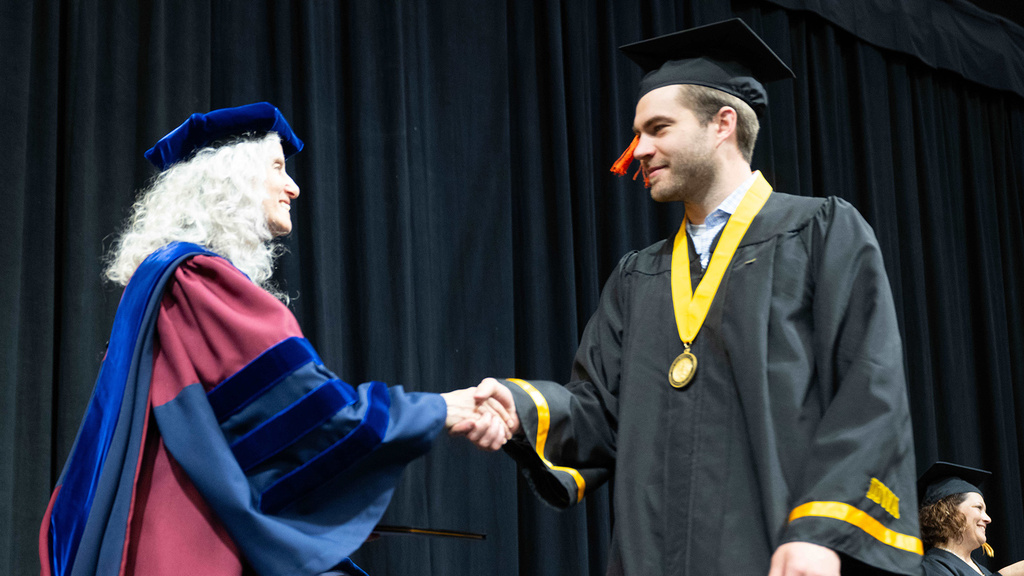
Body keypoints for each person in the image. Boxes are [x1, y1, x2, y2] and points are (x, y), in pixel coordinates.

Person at [461, 18, 922, 575]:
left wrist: (819, 531)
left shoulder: (819, 233)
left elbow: (868, 387)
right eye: (638, 133)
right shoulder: (639, 277)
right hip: (652, 556)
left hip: (780, 551)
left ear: (722, 123)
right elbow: (597, 412)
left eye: (657, 128)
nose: (639, 150)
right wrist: (523, 408)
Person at [38, 102, 515, 576]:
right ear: (230, 180)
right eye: (277, 167)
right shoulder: (200, 282)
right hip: (196, 547)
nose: (294, 187)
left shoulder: (157, 286)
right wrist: (438, 410)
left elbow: (231, 442)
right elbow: (309, 414)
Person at [918, 462, 1024, 576]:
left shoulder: (983, 571)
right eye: (978, 507)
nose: (988, 519)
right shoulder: (930, 567)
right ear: (948, 511)